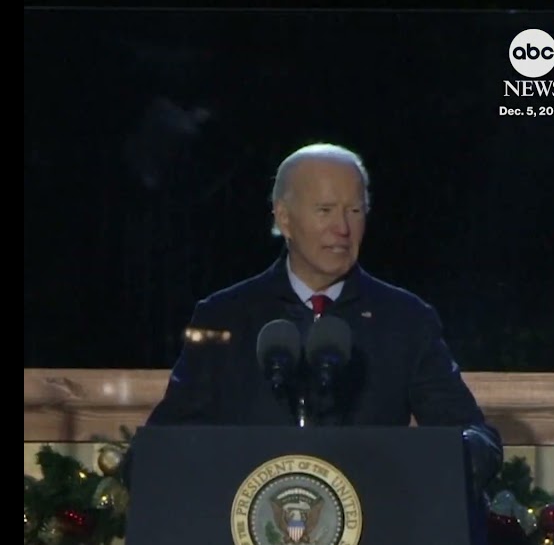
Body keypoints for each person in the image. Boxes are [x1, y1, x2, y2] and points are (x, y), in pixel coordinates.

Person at [142, 141, 503, 488]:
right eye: (325, 210)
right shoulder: (224, 316)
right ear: (284, 218)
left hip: (376, 533)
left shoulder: (406, 320)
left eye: (355, 211)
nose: (343, 229)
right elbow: (165, 441)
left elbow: (470, 434)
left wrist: (466, 452)